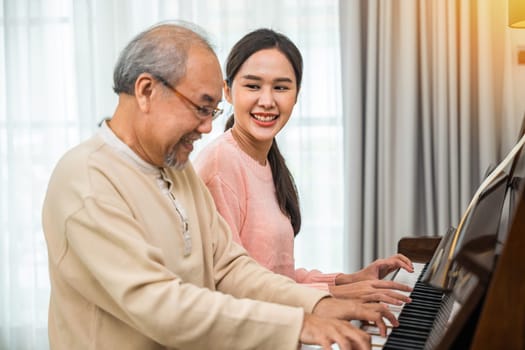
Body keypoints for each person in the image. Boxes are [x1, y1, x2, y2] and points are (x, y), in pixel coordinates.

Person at [42, 22, 398, 350]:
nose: (208, 128)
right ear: (147, 90)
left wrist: (320, 303)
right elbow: (161, 306)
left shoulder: (175, 169)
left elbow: (229, 267)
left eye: (211, 112)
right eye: (201, 107)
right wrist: (298, 323)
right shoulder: (87, 181)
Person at [194, 28, 414, 305]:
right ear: (227, 91)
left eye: (281, 87)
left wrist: (350, 279)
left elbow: (275, 275)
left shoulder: (267, 161)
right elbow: (232, 285)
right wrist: (336, 294)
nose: (267, 101)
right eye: (253, 86)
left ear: (296, 95)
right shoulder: (221, 163)